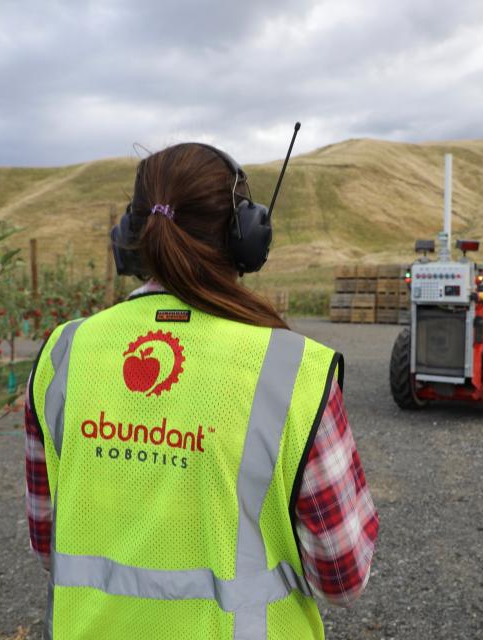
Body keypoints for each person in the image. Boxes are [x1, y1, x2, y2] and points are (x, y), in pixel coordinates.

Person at [24, 142, 378, 639]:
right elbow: (342, 577)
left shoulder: (65, 352)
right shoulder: (294, 370)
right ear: (247, 239)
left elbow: (48, 543)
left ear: (130, 234)